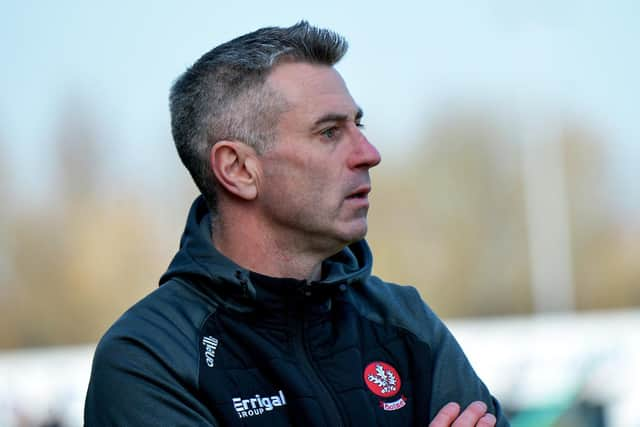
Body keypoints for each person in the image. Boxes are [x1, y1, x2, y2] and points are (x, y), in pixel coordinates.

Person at [84, 21, 509, 427]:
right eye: (328, 132)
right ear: (238, 170)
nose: (369, 153)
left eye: (357, 124)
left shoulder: (404, 322)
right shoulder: (151, 357)